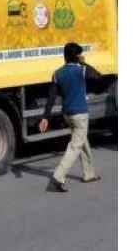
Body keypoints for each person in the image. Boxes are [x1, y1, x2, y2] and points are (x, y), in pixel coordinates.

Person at [39, 43, 104, 192]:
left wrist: (45, 117)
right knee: (75, 145)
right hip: (80, 114)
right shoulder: (81, 70)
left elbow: (51, 97)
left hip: (67, 114)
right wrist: (84, 63)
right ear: (77, 56)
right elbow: (99, 77)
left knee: (81, 140)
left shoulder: (58, 73)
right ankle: (58, 176)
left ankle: (89, 174)